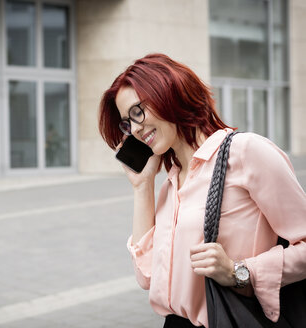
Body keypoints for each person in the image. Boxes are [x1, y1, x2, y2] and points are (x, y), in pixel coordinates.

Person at [97, 53, 306, 328]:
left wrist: (238, 272)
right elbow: (146, 277)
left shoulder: (246, 153)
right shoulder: (172, 183)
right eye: (127, 122)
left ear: (169, 94)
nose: (135, 129)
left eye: (138, 111)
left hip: (231, 318)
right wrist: (142, 186)